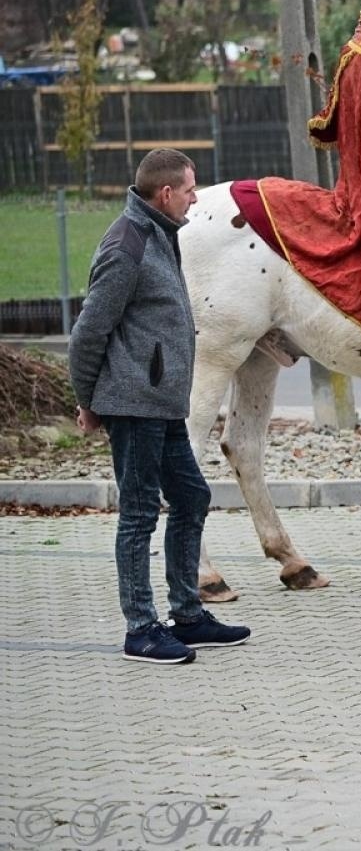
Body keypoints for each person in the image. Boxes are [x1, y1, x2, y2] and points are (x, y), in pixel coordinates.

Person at [67, 149, 251, 664]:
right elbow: (88, 331)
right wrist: (88, 400)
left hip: (163, 402)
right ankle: (140, 629)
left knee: (191, 497)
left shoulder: (159, 233)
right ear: (166, 193)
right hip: (133, 403)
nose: (196, 198)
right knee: (140, 512)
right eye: (191, 190)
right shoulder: (126, 245)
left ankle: (187, 615)